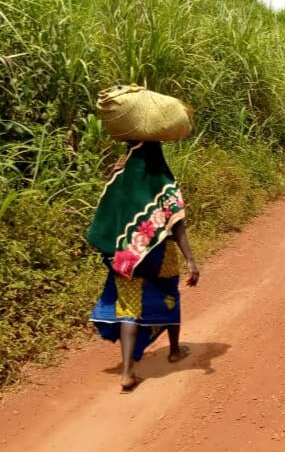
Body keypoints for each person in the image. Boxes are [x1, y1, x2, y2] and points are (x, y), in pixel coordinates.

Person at [87, 141, 201, 392]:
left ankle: (127, 372)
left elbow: (106, 217)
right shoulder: (161, 177)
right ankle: (173, 351)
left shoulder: (119, 175)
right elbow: (176, 221)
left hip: (127, 255)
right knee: (170, 296)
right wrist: (191, 259)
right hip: (161, 253)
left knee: (129, 306)